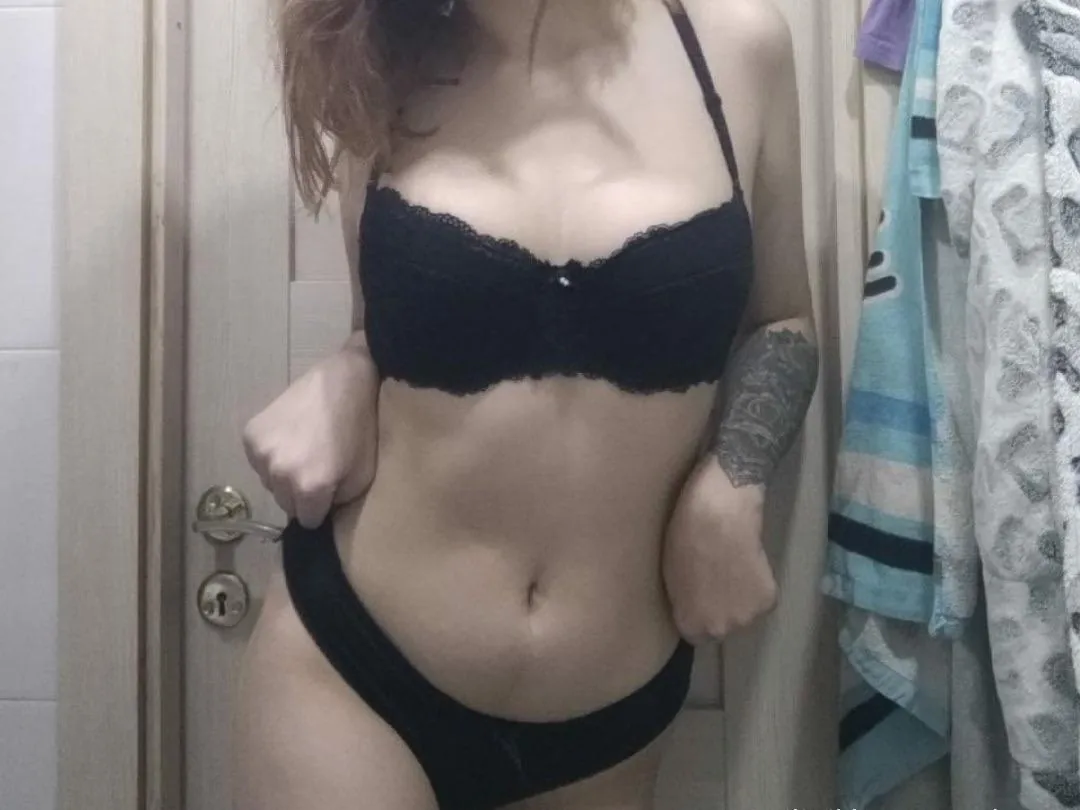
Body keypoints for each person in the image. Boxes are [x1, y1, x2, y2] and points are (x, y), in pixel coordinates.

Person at [235, 0, 819, 808]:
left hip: (610, 713)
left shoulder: (739, 45)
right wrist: (349, 367)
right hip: (354, 667)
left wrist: (737, 477)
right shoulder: (384, 42)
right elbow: (389, 319)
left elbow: (784, 319)